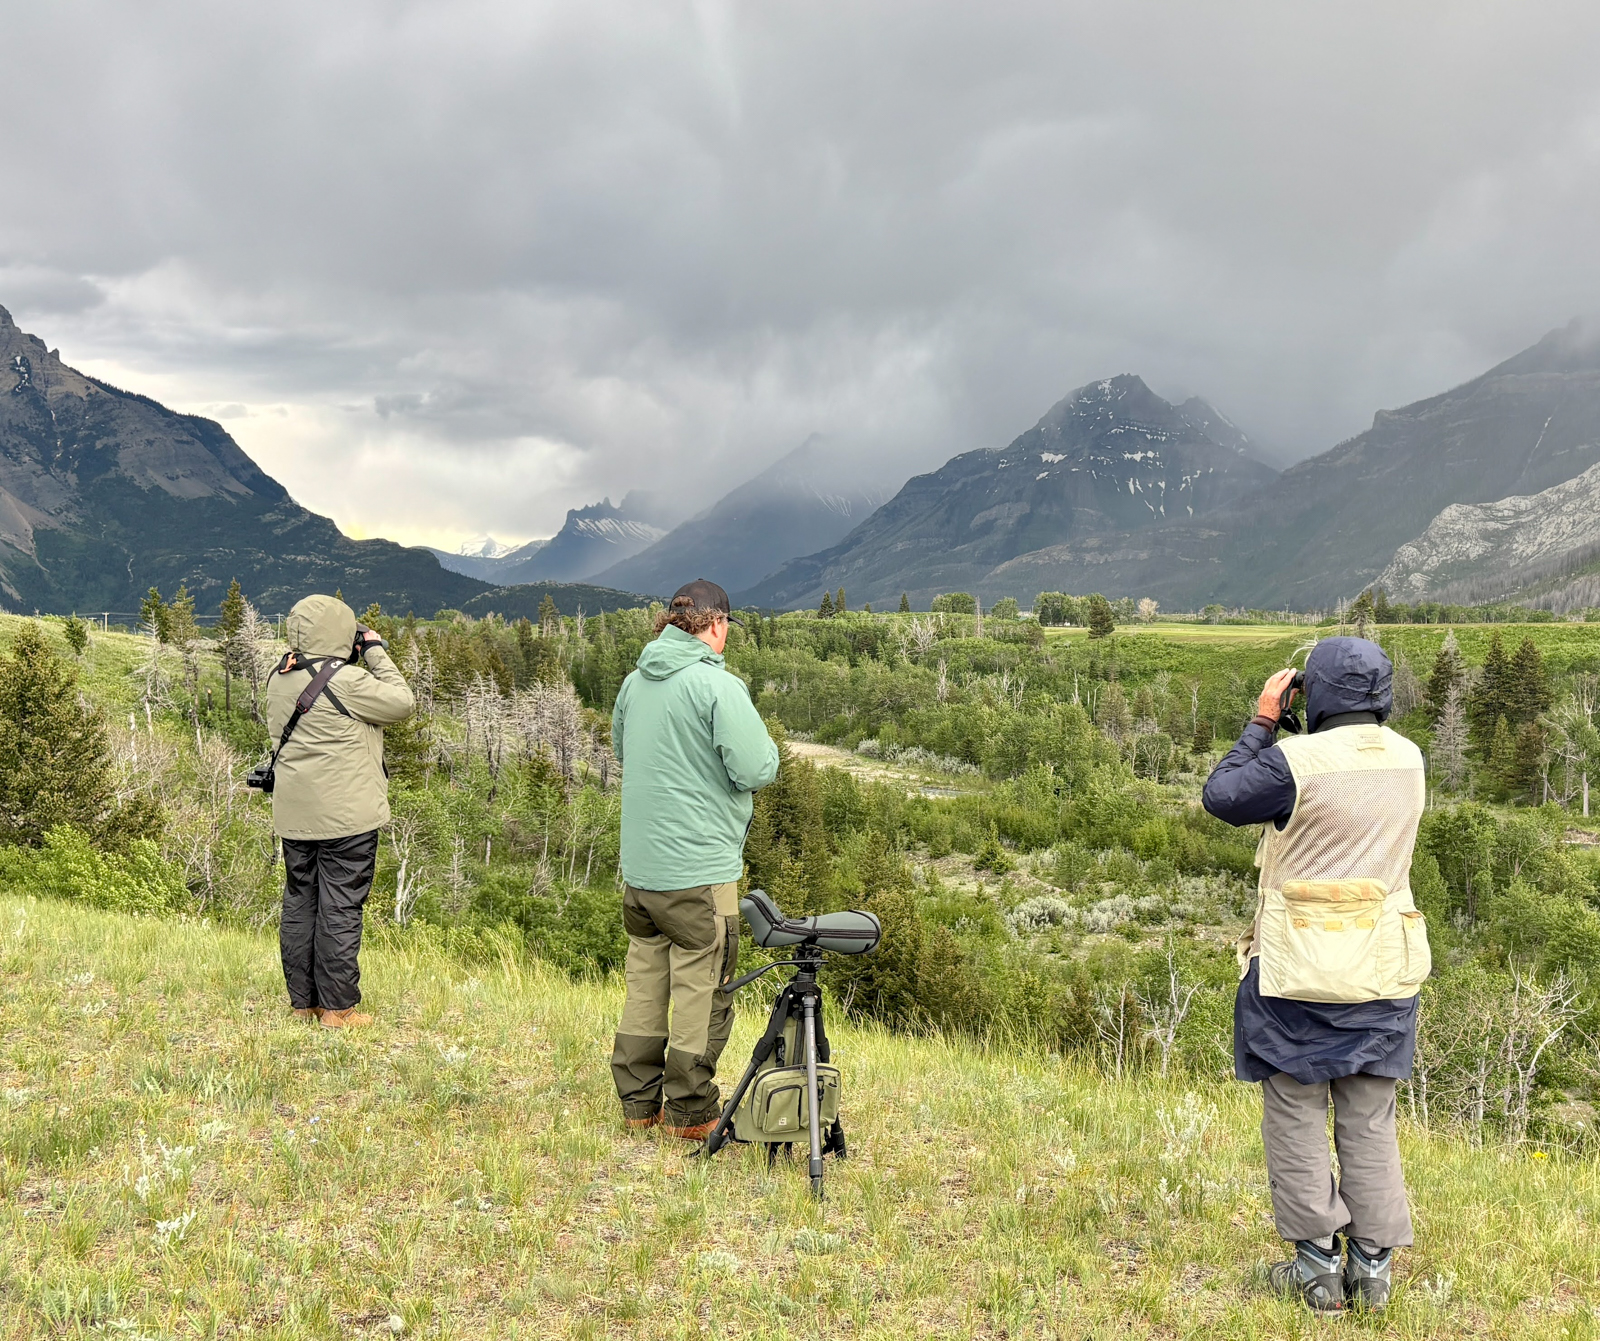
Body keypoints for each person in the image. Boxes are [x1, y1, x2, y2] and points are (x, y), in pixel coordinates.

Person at [1202, 637, 1429, 1315]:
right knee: (1369, 1114)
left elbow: (1221, 795)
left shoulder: (1292, 762)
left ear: (1314, 692)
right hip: (1382, 969)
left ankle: (1317, 1267)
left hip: (1295, 970)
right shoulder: (1409, 758)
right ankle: (1373, 1268)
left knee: (1296, 1110)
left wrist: (1263, 719)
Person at [609, 579, 780, 1139]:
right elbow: (758, 769)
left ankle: (639, 1104)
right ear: (716, 625)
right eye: (728, 626)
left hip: (640, 872)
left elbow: (623, 750)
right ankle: (690, 1113)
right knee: (702, 991)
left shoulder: (635, 683)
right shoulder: (717, 686)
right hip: (699, 873)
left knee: (646, 985)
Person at [267, 594, 414, 1029]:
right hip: (346, 818)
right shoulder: (348, 681)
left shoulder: (278, 676)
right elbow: (402, 702)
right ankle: (338, 1010)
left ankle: (303, 1004)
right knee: (340, 907)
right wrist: (374, 651)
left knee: (300, 902)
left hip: (295, 814)